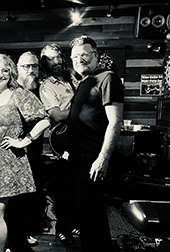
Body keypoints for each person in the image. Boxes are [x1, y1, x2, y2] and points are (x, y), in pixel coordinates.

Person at [0, 53, 50, 252]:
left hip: (5, 163)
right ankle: (5, 248)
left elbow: (44, 120)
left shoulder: (18, 94)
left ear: (11, 73)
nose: (0, 74)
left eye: (5, 70)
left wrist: (24, 140)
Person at [68, 35, 124, 252]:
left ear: (96, 56)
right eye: (75, 56)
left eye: (85, 55)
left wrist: (102, 159)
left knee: (91, 215)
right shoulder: (84, 81)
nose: (79, 59)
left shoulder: (108, 78)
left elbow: (115, 121)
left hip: (93, 157)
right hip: (79, 156)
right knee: (86, 214)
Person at [39, 43, 79, 247]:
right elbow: (55, 114)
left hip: (81, 138)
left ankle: (74, 223)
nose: (57, 61)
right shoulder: (47, 85)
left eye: (59, 57)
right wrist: (83, 113)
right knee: (65, 188)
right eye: (51, 59)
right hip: (63, 139)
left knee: (79, 186)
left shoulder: (73, 78)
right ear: (44, 63)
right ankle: (62, 230)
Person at [5, 51, 46, 251]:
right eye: (26, 66)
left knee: (32, 193)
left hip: (33, 150)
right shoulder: (12, 90)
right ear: (17, 69)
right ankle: (16, 236)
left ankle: (24, 231)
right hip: (15, 152)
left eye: (34, 66)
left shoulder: (39, 89)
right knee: (16, 198)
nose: (31, 70)